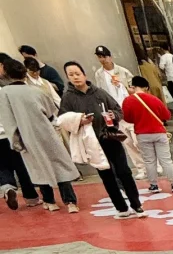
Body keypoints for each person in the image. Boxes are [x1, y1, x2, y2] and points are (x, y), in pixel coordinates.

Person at [60, 61, 145, 216]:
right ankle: (121, 208)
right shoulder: (68, 98)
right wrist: (79, 120)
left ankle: (136, 204)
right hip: (91, 142)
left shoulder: (99, 92)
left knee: (124, 171)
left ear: (84, 74)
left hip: (110, 136)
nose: (75, 77)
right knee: (106, 175)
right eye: (71, 75)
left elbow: (117, 109)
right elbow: (63, 119)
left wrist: (115, 115)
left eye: (77, 74)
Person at [0, 57, 80, 212]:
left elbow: (9, 120)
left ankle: (50, 201)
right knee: (59, 165)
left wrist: (16, 142)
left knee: (38, 168)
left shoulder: (5, 93)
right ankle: (70, 202)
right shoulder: (36, 90)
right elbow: (51, 112)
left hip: (26, 135)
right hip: (47, 132)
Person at [122, 75, 173, 194]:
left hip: (142, 134)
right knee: (166, 160)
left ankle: (153, 185)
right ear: (146, 87)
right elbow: (167, 116)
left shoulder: (128, 100)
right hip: (159, 132)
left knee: (149, 161)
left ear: (133, 87)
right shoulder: (154, 99)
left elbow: (127, 118)